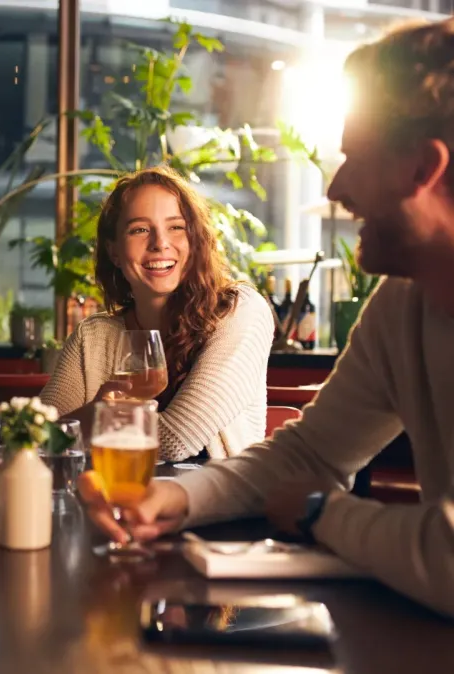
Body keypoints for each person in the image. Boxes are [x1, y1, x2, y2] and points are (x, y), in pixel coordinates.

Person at [79, 18, 454, 618]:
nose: (337, 186)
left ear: (423, 170)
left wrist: (320, 511)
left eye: (356, 157)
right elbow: (305, 457)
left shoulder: (245, 309)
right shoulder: (400, 308)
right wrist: (169, 497)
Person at [41, 166, 273, 462]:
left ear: (195, 239)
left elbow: (175, 441)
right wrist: (95, 415)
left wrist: (97, 418)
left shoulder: (241, 311)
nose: (160, 243)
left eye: (176, 227)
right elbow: (35, 439)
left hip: (214, 506)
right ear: (114, 251)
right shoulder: (94, 337)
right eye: (139, 229)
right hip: (112, 500)